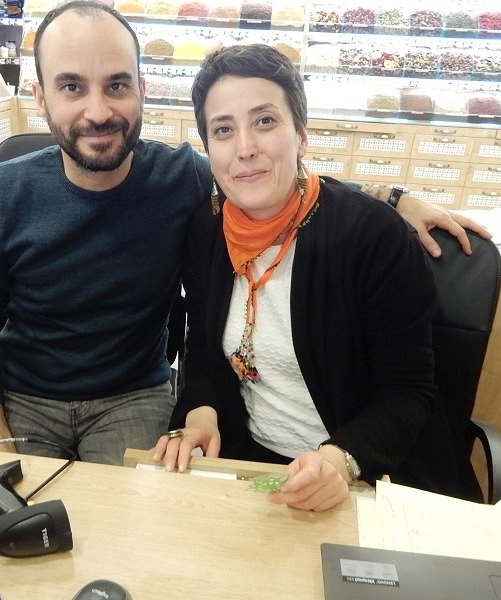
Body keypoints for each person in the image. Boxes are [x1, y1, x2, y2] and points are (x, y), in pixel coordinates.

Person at [0, 0, 490, 465]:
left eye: (116, 85)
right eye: (72, 87)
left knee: (136, 531)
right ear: (41, 97)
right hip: (22, 397)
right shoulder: (3, 194)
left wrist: (392, 198)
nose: (98, 111)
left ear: (141, 90)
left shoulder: (181, 179)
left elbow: (277, 179)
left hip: (133, 396)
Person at [152, 44, 483, 510]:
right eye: (223, 130)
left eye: (265, 121)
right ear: (209, 150)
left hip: (368, 472)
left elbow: (407, 392)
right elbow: (205, 350)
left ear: (301, 136)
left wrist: (340, 461)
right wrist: (202, 413)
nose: (245, 149)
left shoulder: (371, 236)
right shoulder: (207, 230)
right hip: (253, 466)